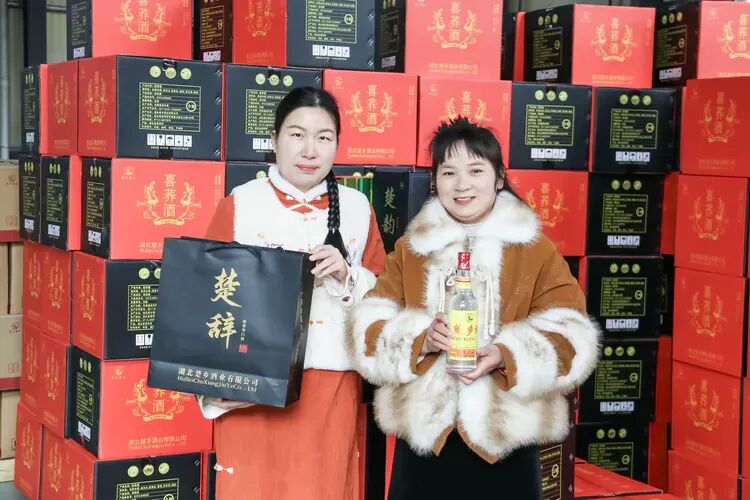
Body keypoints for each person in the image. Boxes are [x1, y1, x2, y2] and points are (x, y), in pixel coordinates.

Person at [348, 117, 600, 499]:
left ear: (499, 178)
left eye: (476, 170)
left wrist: (506, 354)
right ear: (435, 182)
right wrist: (420, 340)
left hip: (506, 439)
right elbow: (368, 326)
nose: (462, 184)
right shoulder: (411, 250)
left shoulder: (534, 250)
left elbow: (572, 332)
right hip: (425, 442)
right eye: (448, 172)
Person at [200, 87, 386, 499]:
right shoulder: (241, 203)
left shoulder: (358, 208)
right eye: (297, 134)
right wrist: (216, 383)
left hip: (330, 384)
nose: (310, 150)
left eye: (324, 137)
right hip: (253, 384)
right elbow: (206, 298)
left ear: (337, 144)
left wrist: (347, 276)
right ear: (274, 139)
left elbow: (384, 302)